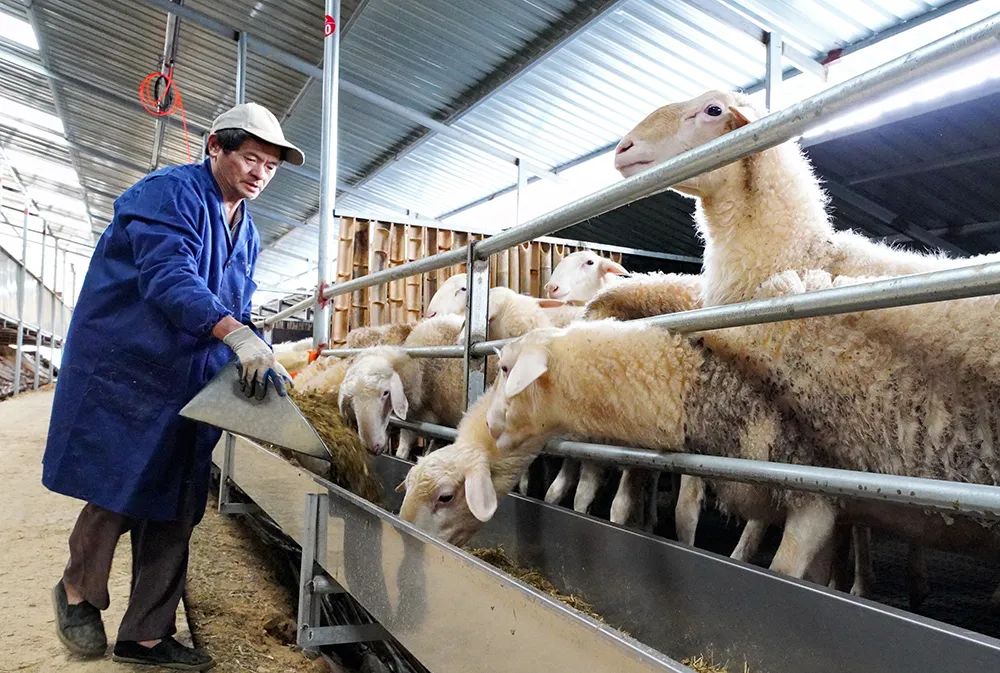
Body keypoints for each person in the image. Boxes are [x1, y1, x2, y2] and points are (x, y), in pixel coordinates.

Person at [42, 102, 303, 671]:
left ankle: (146, 635)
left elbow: (237, 303)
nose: (260, 173)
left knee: (180, 501)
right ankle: (77, 591)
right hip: (132, 368)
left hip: (192, 377)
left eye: (270, 166)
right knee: (122, 484)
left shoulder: (247, 232)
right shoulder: (167, 194)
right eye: (250, 158)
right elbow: (168, 277)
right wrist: (236, 334)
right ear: (215, 147)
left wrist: (257, 347)